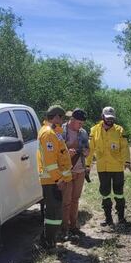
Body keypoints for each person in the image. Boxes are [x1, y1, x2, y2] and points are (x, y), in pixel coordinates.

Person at [86, 106, 131, 227]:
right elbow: (90, 149)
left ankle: (121, 218)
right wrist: (87, 165)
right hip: (103, 168)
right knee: (105, 193)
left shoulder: (119, 130)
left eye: (112, 118)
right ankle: (108, 219)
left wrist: (127, 162)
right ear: (102, 117)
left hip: (117, 168)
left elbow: (124, 147)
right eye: (107, 118)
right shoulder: (94, 130)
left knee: (119, 193)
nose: (110, 120)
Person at [37, 105, 73, 248]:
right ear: (56, 116)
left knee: (55, 212)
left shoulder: (55, 132)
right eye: (62, 117)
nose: (63, 120)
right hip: (51, 180)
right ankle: (48, 243)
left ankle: (49, 240)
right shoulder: (48, 134)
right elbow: (50, 161)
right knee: (53, 213)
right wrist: (58, 179)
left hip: (55, 180)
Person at [61, 108, 90, 240]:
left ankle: (73, 226)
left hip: (80, 170)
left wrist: (85, 152)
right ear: (71, 120)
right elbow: (56, 152)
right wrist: (67, 153)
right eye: (79, 123)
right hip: (66, 172)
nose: (81, 126)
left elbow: (87, 149)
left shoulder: (83, 132)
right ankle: (64, 229)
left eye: (82, 123)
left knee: (75, 200)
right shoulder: (61, 131)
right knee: (66, 201)